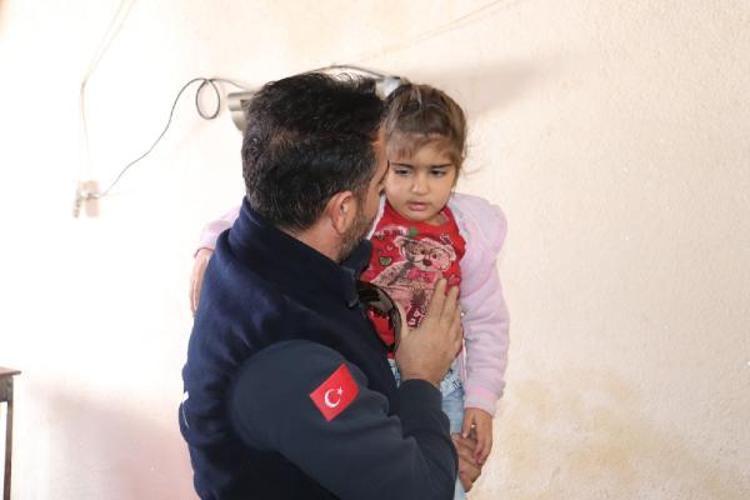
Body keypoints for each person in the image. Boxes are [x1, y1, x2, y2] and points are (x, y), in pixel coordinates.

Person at [190, 83, 509, 499]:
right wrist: (421, 380)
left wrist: (430, 443)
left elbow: (349, 442)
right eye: (381, 185)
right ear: (342, 210)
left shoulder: (253, 253)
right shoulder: (290, 361)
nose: (392, 199)